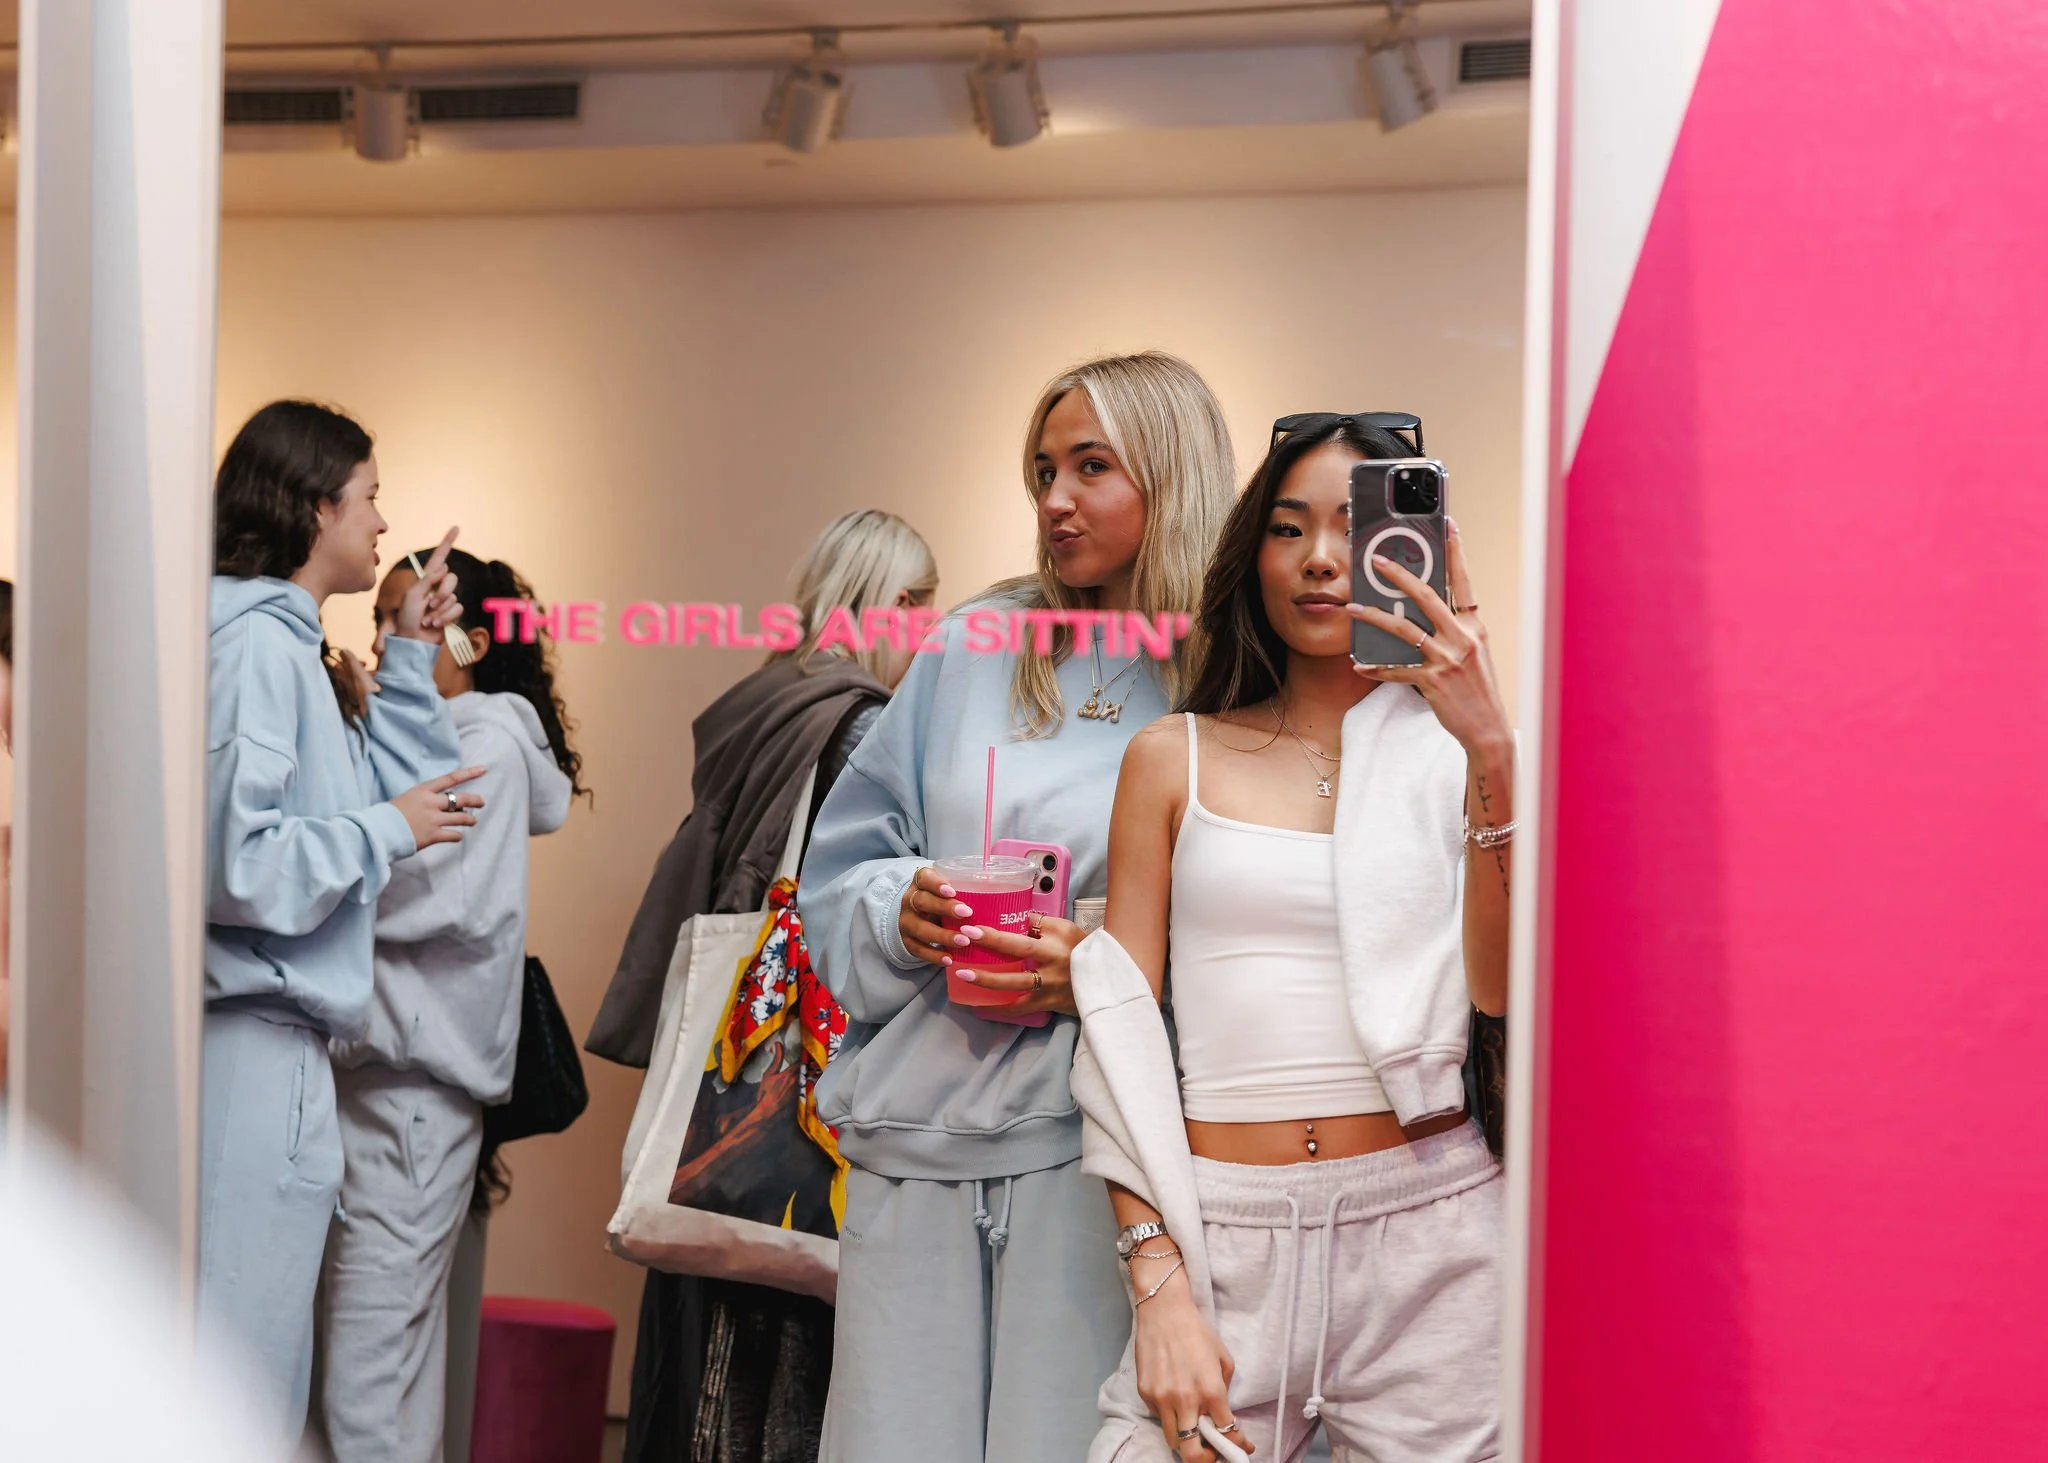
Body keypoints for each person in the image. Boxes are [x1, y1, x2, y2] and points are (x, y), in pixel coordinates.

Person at [798, 352, 1238, 1463]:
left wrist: (1102, 962)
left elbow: (1260, 924)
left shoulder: (1230, 674)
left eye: (1091, 466)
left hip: (1098, 1154)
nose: (1054, 500)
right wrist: (899, 908)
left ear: (1171, 472)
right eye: (1043, 470)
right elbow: (839, 868)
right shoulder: (971, 646)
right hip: (917, 1131)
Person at [1074, 415, 1515, 1463]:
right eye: (1287, 527)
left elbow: (1499, 992)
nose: (1319, 557)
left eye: (1353, 528)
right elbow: (1118, 1034)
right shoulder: (1170, 756)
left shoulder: (1461, 755)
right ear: (1253, 555)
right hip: (1225, 1238)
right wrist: (1157, 1285)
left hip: (1433, 1230)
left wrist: (1489, 744)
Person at [587, 509, 940, 1463]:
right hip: (793, 1098)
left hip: (721, 1088)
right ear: (888, 601)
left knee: (698, 1341)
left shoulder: (761, 704)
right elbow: (843, 916)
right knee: (774, 1369)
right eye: (922, 604)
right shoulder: (855, 723)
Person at [203, 400, 483, 1454]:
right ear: (315, 505)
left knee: (257, 1374)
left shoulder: (286, 646)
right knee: (237, 1378)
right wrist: (385, 826)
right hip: (253, 1046)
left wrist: (409, 654)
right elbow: (241, 864)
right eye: (369, 496)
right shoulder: (257, 649)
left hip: (278, 1048)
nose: (382, 522)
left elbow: (409, 808)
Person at [317, 549, 585, 1462]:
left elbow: (433, 898)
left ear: (468, 640)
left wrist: (324, 851)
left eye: (410, 619)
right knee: (393, 1369)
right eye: (383, 618)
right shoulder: (448, 737)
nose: (384, 639)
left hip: (410, 1094)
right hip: (403, 1087)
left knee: (365, 1375)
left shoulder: (483, 747)